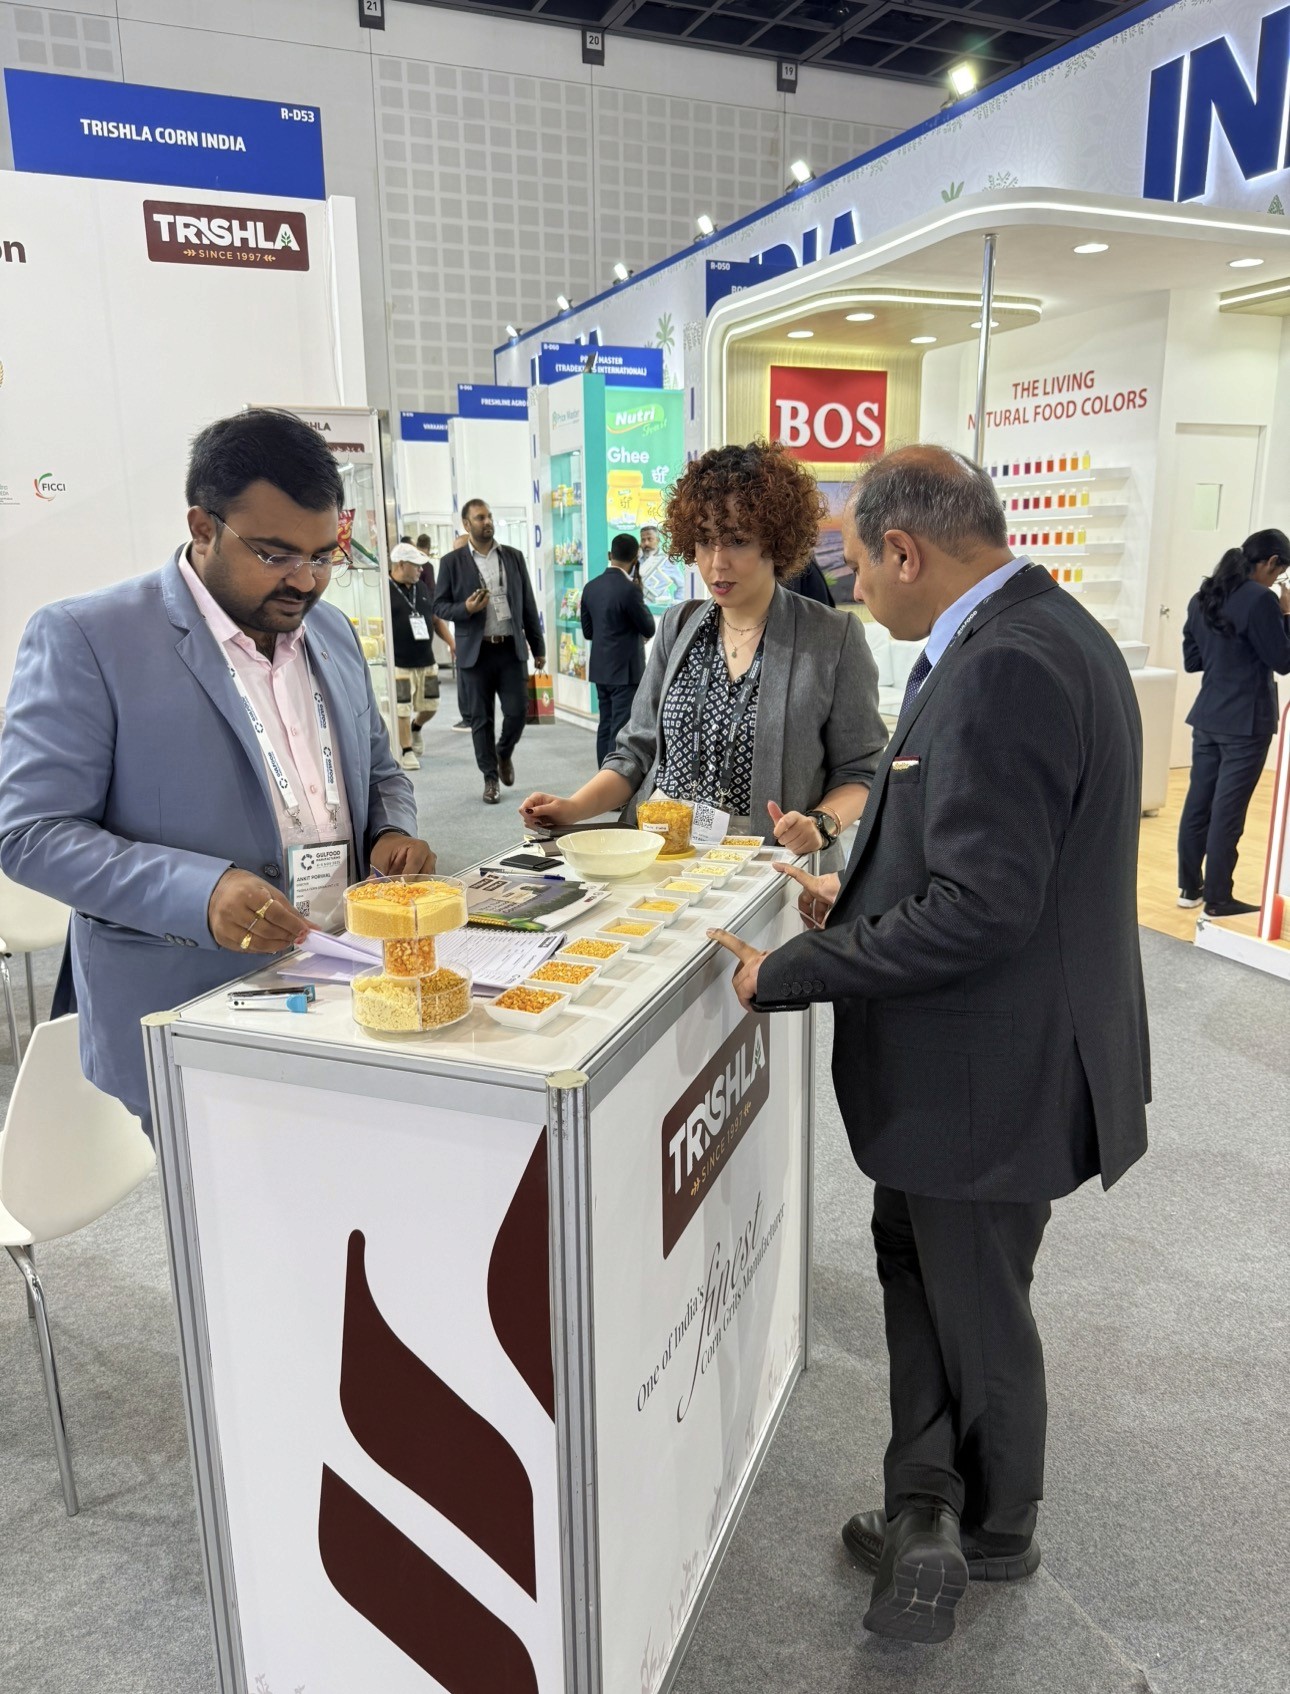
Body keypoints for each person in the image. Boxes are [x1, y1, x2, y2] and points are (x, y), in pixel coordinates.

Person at [708, 446, 1149, 1644]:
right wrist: (850, 892)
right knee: (935, 1277)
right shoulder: (1036, 631)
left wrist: (798, 968)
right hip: (988, 1059)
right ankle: (929, 1503)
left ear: (906, 551)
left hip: (989, 1071)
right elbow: (979, 856)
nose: (851, 587)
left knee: (975, 1296)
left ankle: (997, 1519)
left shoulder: (1004, 662)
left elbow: (986, 906)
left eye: (854, 564)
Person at [0, 408, 436, 1128]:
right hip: (191, 1014)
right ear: (203, 527)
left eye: (325, 554)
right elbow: (32, 833)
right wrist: (198, 892)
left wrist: (391, 827)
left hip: (344, 987)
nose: (306, 580)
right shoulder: (88, 638)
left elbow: (380, 767)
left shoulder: (327, 629)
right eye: (275, 554)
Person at [521, 440, 886, 863]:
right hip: (658, 852)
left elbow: (861, 770)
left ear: (775, 541)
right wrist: (572, 807)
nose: (717, 563)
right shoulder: (679, 626)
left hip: (762, 863)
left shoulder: (831, 638)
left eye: (737, 541)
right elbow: (635, 753)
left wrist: (822, 823)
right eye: (706, 540)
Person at [1177, 529, 1290, 916]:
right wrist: (1288, 614)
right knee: (1228, 813)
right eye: (1279, 574)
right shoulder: (1262, 600)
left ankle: (1189, 889)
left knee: (1198, 805)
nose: (1276, 583)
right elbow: (1284, 661)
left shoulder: (1203, 596)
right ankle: (1219, 899)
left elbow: (1194, 660)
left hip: (1208, 716)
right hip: (1247, 722)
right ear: (1272, 562)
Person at [435, 501, 546, 803]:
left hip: (510, 649)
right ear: (466, 524)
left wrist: (538, 646)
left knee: (518, 711)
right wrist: (465, 608)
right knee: (481, 719)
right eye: (480, 517)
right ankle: (490, 777)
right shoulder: (451, 562)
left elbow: (527, 604)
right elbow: (439, 605)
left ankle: (503, 752)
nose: (487, 521)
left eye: (489, 516)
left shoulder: (513, 557)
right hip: (475, 653)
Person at [580, 532, 657, 766]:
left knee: (605, 724)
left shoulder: (590, 587)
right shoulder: (629, 589)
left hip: (601, 669)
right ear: (635, 558)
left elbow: (588, 632)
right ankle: (611, 778)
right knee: (620, 726)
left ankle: (601, 774)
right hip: (625, 672)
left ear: (609, 555)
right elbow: (649, 628)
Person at [388, 542, 449, 771]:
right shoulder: (385, 589)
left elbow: (434, 619)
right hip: (400, 663)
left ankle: (416, 727)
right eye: (416, 566)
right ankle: (406, 749)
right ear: (401, 564)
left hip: (426, 660)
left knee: (431, 706)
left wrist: (452, 644)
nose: (421, 570)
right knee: (402, 708)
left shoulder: (421, 588)